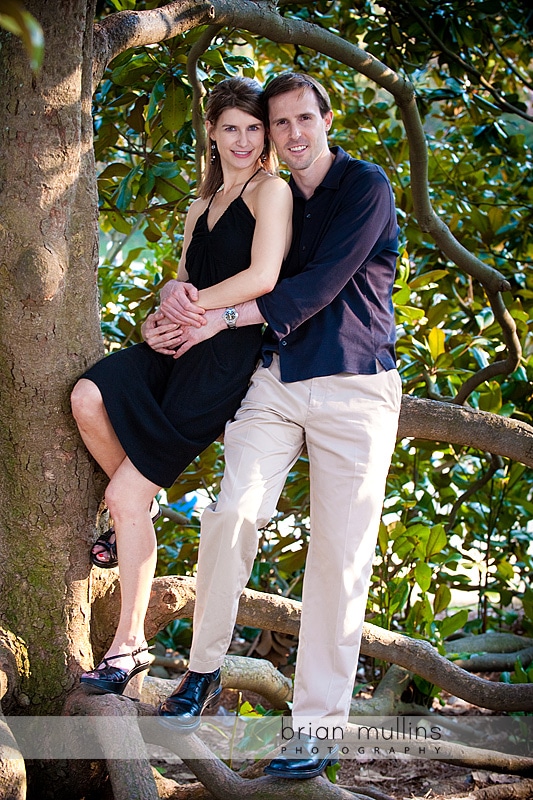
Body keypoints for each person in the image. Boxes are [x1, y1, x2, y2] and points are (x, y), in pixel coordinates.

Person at [153, 72, 402, 780]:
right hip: (276, 381)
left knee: (339, 559)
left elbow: (312, 288)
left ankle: (316, 728)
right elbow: (236, 266)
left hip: (354, 389)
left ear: (327, 119)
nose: (291, 134)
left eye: (303, 119)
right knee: (231, 513)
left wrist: (213, 319)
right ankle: (201, 674)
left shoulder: (365, 188)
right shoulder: (276, 195)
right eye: (278, 123)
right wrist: (180, 293)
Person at [70, 76, 292, 695]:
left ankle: (130, 645)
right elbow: (182, 281)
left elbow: (266, 276)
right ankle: (137, 505)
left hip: (224, 359)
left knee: (123, 495)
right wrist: (162, 309)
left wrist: (190, 314)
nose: (244, 141)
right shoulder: (201, 205)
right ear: (212, 133)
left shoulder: (270, 191)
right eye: (231, 129)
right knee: (88, 396)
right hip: (177, 345)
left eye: (254, 128)